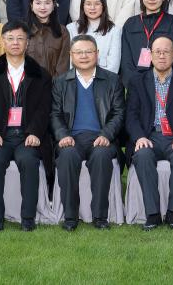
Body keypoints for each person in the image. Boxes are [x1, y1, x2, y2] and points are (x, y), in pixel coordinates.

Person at [0, 21, 53, 231]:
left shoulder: (41, 74)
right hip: (0, 135)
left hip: (27, 135)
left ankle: (28, 219)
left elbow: (44, 108)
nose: (15, 43)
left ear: (27, 43)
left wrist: (35, 132)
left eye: (20, 38)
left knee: (28, 160)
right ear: (2, 42)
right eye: (10, 38)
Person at [51, 34, 125, 230]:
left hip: (101, 137)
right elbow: (55, 114)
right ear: (71, 55)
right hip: (71, 138)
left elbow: (119, 113)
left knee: (101, 156)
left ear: (97, 53)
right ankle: (70, 217)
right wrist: (63, 135)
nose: (84, 56)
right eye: (78, 52)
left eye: (88, 52)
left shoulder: (112, 80)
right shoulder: (60, 82)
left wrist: (106, 134)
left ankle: (100, 217)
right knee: (67, 156)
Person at [126, 36, 173, 230]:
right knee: (142, 155)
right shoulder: (137, 82)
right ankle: (153, 214)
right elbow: (131, 116)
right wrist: (139, 137)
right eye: (157, 52)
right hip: (148, 136)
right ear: (150, 55)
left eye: (166, 52)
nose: (162, 56)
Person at [119, 0, 173, 87]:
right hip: (136, 86)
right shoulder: (130, 24)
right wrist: (134, 85)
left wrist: (165, 82)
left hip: (165, 84)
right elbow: (126, 61)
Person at [69, 0, 124, 74]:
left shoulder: (114, 31)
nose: (92, 7)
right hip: (77, 80)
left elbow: (113, 66)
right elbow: (70, 63)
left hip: (105, 80)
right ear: (83, 6)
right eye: (88, 4)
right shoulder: (71, 29)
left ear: (103, 6)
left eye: (97, 4)